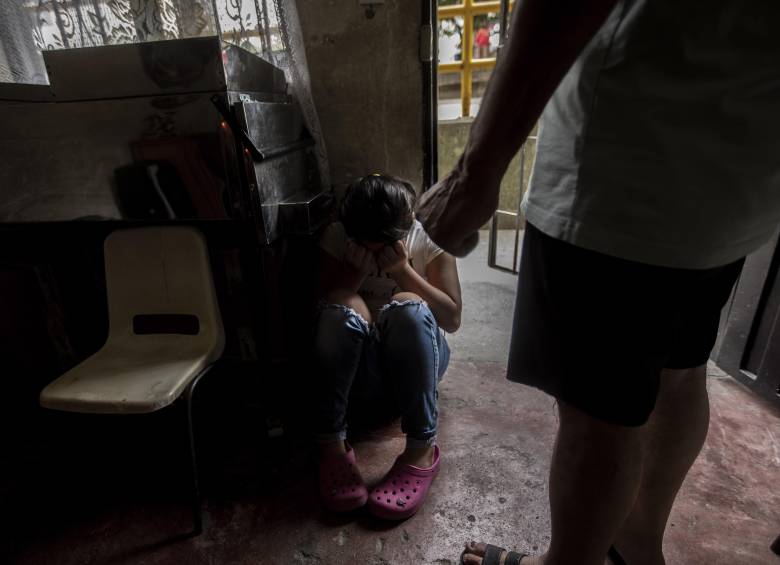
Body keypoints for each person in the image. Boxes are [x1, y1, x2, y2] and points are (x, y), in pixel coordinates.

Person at [416, 0, 780, 564]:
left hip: (623, 159)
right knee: (679, 374)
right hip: (742, 157)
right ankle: (636, 545)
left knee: (597, 409)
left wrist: (474, 176)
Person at [313, 174, 462, 520]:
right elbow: (315, 315)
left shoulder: (428, 236)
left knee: (408, 304)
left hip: (417, 360)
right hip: (359, 374)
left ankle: (420, 450)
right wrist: (352, 275)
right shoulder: (338, 235)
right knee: (341, 302)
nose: (374, 253)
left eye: (383, 245)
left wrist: (402, 271)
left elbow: (452, 319)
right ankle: (330, 446)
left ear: (405, 226)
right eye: (366, 244)